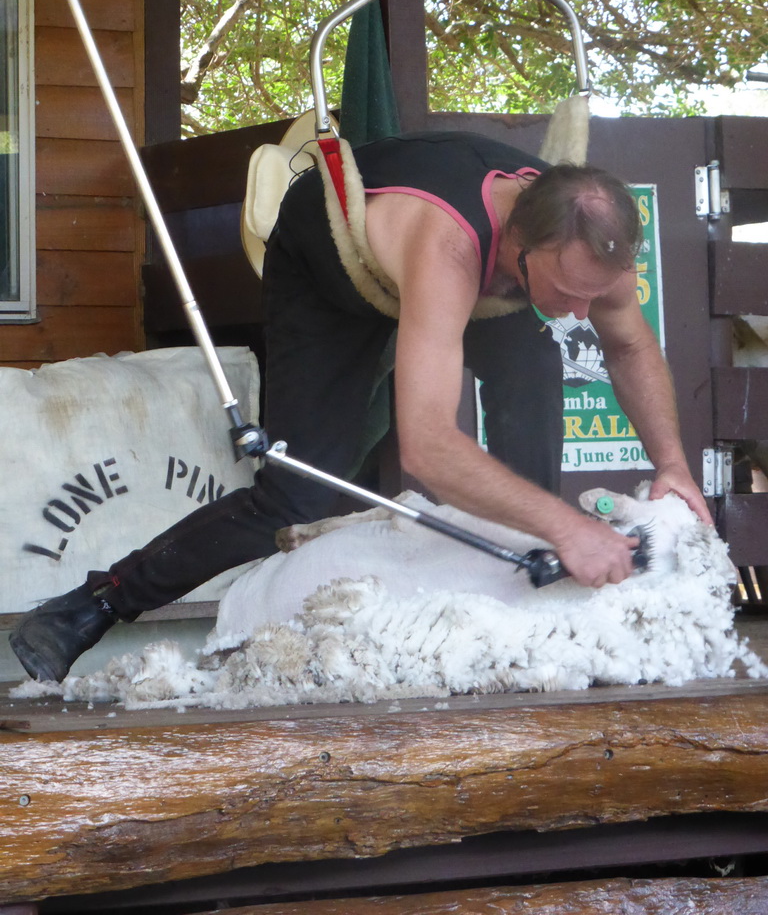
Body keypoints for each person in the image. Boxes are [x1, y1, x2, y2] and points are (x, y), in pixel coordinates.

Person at [10, 131, 712, 683]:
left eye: (598, 293)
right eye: (570, 292)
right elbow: (429, 446)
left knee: (528, 480)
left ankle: (507, 646)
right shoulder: (448, 247)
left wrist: (673, 465)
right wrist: (569, 527)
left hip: (498, 278)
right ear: (524, 247)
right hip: (333, 259)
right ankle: (93, 604)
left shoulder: (586, 256)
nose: (584, 312)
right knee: (295, 494)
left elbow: (627, 348)